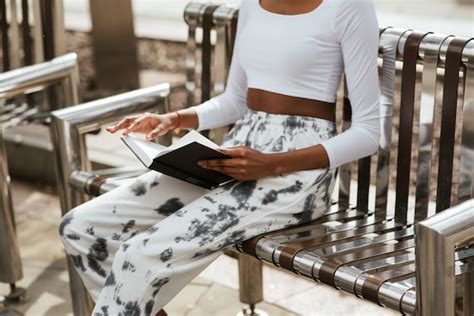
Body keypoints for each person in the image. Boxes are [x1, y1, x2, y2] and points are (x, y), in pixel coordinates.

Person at [58, 0, 381, 315]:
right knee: (80, 227)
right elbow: (236, 100)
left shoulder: (350, 6)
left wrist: (271, 164)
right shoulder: (253, 3)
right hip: (234, 156)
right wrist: (174, 119)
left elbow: (368, 132)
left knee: (140, 255)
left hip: (297, 173)